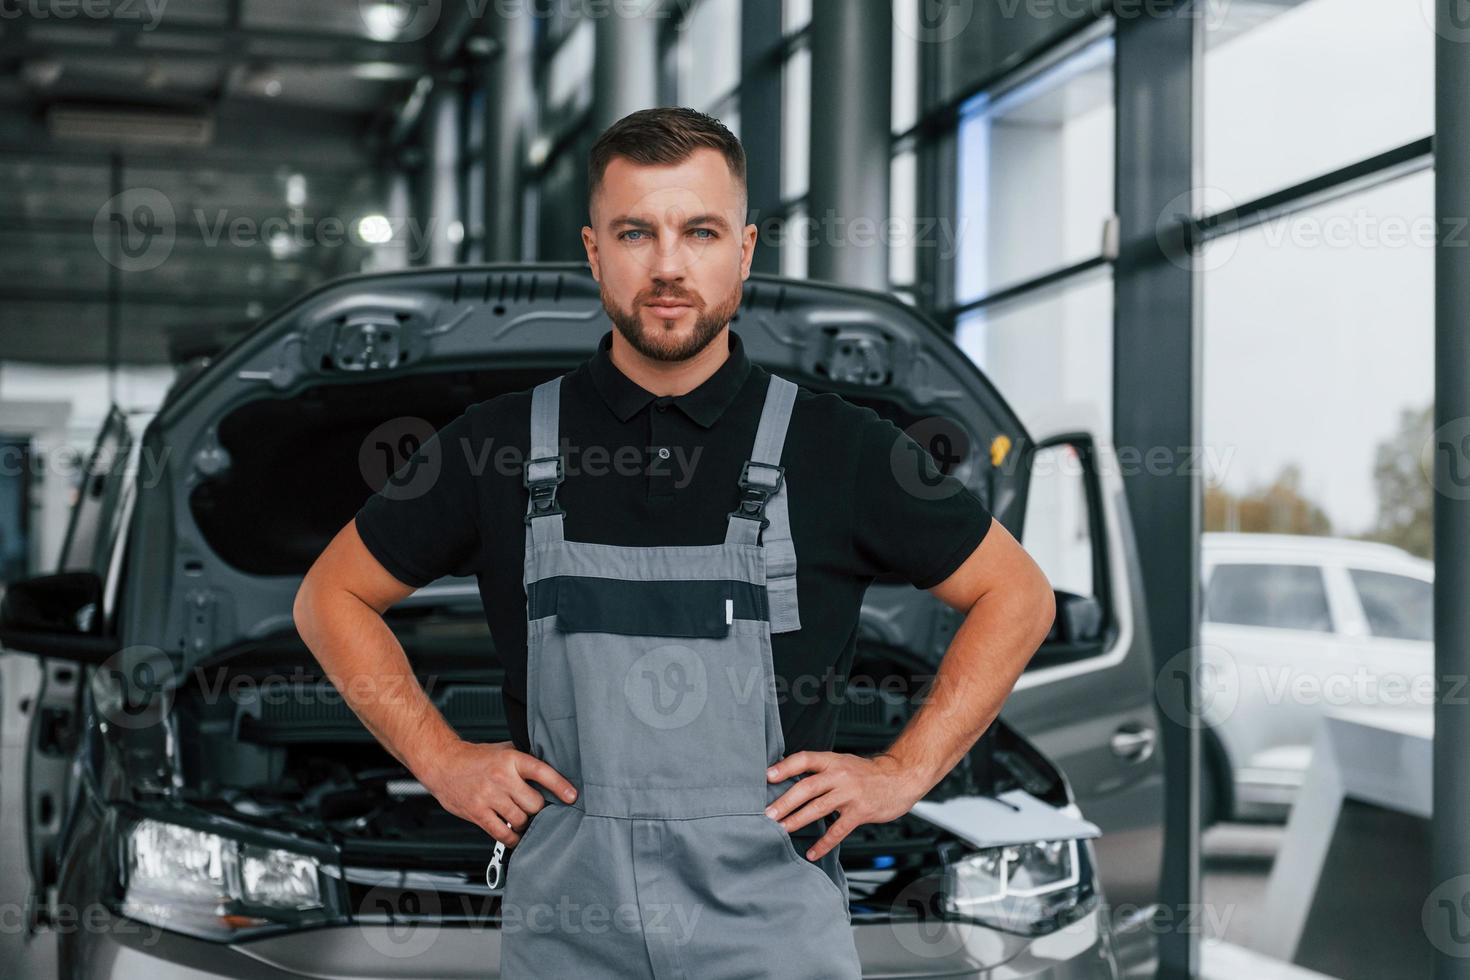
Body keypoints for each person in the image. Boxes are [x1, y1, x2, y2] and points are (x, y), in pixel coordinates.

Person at [293, 105, 1055, 978]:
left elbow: (1019, 595)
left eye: (699, 231)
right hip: (569, 933)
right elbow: (329, 596)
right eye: (634, 232)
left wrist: (902, 772)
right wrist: (442, 760)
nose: (666, 266)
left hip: (770, 936)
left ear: (744, 250)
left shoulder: (841, 447)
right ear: (592, 251)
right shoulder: (492, 446)